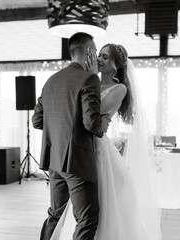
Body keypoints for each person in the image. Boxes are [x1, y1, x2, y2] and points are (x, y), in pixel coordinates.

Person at [49, 43, 162, 240]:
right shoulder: (86, 80)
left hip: (97, 149)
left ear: (117, 65)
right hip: (76, 147)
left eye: (105, 57)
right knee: (78, 208)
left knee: (101, 205)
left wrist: (90, 79)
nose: (99, 59)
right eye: (99, 55)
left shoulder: (120, 89)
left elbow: (92, 116)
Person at [32, 32, 110, 240]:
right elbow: (92, 123)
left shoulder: (51, 80)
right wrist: (105, 124)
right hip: (77, 161)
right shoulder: (89, 78)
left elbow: (37, 121)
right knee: (87, 218)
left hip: (54, 160)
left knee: (55, 215)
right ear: (90, 51)